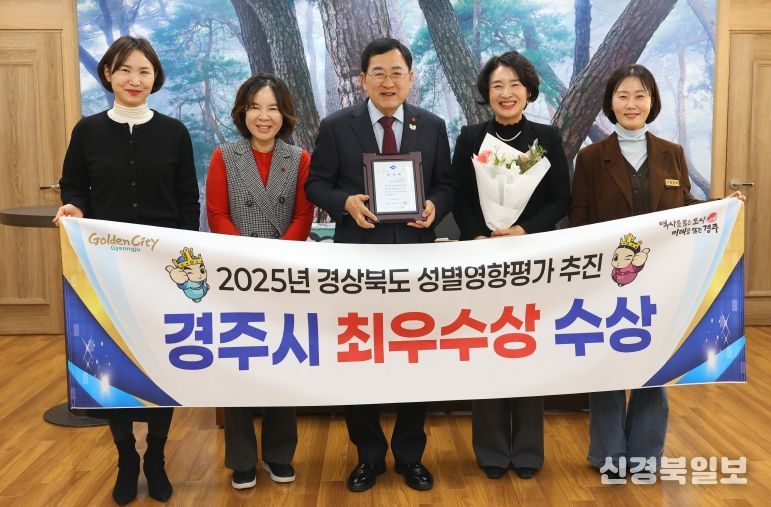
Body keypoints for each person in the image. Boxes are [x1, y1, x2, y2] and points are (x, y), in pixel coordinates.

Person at [570, 63, 745, 477]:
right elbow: (579, 219)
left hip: (664, 280)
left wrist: (724, 206)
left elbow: (685, 209)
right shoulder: (591, 157)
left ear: (652, 102)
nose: (631, 104)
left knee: (656, 367)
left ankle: (646, 455)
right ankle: (608, 456)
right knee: (607, 369)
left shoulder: (671, 153)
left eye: (640, 95)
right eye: (623, 96)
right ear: (611, 103)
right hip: (608, 282)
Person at [305, 37, 456, 492]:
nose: (388, 82)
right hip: (358, 260)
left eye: (397, 73)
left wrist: (434, 205)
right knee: (360, 356)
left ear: (410, 78)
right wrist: (344, 202)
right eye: (379, 73)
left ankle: (410, 456)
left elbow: (447, 184)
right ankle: (368, 456)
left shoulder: (432, 125)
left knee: (415, 356)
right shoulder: (337, 126)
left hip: (415, 260)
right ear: (362, 79)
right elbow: (316, 184)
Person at [54, 35, 200, 505]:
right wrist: (74, 208)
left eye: (143, 71)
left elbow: (187, 200)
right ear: (108, 75)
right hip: (104, 268)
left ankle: (155, 455)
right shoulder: (88, 131)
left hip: (161, 271)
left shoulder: (174, 132)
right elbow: (74, 186)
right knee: (111, 365)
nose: (134, 80)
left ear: (155, 77)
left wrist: (183, 261)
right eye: (124, 70)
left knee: (159, 364)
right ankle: (125, 457)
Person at [452, 51, 570, 480]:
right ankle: (491, 451)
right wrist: (478, 236)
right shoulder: (471, 137)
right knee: (486, 348)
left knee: (525, 349)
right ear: (487, 93)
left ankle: (528, 451)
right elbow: (460, 195)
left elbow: (561, 198)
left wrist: (523, 230)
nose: (506, 93)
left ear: (528, 91)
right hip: (482, 258)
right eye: (497, 86)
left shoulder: (546, 138)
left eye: (514, 85)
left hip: (531, 259)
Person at [205, 74, 313, 489]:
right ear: (242, 112)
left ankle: (279, 455)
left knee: (281, 362)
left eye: (272, 108)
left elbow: (303, 214)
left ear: (284, 114)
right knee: (239, 364)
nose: (263, 117)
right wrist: (248, 258)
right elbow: (217, 214)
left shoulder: (298, 157)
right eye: (255, 108)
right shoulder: (224, 156)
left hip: (283, 272)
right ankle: (242, 460)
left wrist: (276, 257)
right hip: (237, 273)